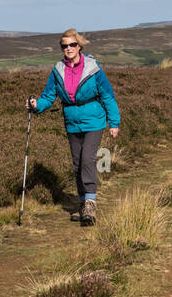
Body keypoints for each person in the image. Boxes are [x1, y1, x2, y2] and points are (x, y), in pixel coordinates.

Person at [26, 29, 120, 225]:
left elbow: (107, 95)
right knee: (77, 163)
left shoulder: (93, 68)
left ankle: (90, 204)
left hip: (94, 120)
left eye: (72, 45)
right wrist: (36, 106)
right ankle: (82, 203)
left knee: (87, 159)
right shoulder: (58, 70)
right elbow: (49, 96)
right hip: (71, 122)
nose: (68, 48)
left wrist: (114, 122)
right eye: (64, 46)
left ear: (79, 46)